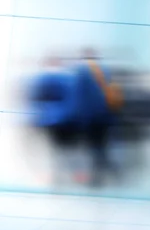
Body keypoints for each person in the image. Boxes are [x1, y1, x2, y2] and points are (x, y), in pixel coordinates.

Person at [76, 48, 122, 187]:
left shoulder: (82, 71)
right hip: (106, 115)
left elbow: (81, 96)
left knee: (95, 148)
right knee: (101, 146)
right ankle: (112, 174)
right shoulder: (105, 69)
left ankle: (100, 178)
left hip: (91, 117)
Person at [29, 55, 78, 184]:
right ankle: (60, 175)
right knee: (61, 149)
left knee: (48, 150)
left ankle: (51, 176)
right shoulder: (68, 79)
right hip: (63, 119)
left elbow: (34, 98)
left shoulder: (41, 79)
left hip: (46, 118)